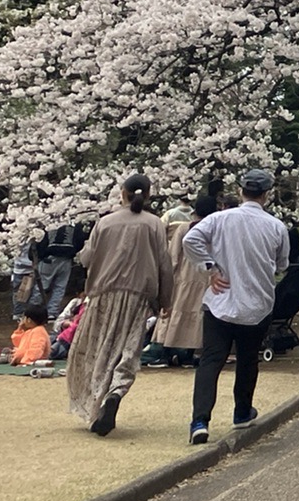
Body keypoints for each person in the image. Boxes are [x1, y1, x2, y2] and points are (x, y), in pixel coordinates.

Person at [182, 168, 291, 444]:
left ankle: (199, 420)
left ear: (241, 191)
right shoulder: (276, 226)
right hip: (257, 303)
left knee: (210, 360)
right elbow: (282, 264)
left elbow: (190, 239)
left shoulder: (219, 219)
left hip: (221, 299)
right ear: (266, 195)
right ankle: (242, 411)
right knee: (247, 358)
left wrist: (211, 267)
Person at [67, 174, 174, 437]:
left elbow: (87, 257)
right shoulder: (154, 225)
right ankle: (115, 392)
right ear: (148, 195)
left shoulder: (105, 223)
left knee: (96, 348)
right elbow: (164, 264)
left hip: (104, 293)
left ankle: (95, 401)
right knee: (127, 350)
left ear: (122, 193)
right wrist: (165, 300)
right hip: (139, 296)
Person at [151, 196, 216, 365]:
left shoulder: (184, 229)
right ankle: (189, 354)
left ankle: (166, 353)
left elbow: (172, 256)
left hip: (183, 278)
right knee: (196, 315)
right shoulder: (216, 231)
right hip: (205, 279)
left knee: (174, 313)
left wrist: (167, 277)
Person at [30, 216, 86, 327]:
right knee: (60, 287)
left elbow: (40, 239)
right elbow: (80, 240)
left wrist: (39, 256)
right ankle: (52, 312)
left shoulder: (48, 220)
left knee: (42, 286)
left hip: (49, 258)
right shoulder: (74, 222)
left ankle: (33, 311)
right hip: (66, 258)